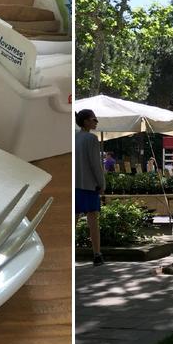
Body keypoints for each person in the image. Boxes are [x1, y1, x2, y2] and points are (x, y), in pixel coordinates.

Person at [75, 109, 105, 266]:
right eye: (94, 119)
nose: (96, 122)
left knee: (74, 218)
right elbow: (95, 164)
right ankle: (97, 254)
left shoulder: (74, 137)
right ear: (86, 121)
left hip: (75, 184)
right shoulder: (91, 139)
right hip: (89, 185)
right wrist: (101, 184)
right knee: (93, 220)